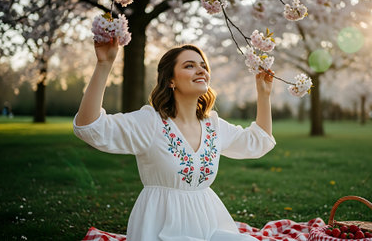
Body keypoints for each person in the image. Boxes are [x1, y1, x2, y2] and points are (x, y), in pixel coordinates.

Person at [73, 38, 276, 241]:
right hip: (161, 227)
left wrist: (264, 95)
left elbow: (258, 142)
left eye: (203, 66)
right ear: (171, 80)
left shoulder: (213, 125)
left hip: (208, 223)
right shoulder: (150, 122)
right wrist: (104, 64)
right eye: (189, 66)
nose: (201, 71)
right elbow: (90, 127)